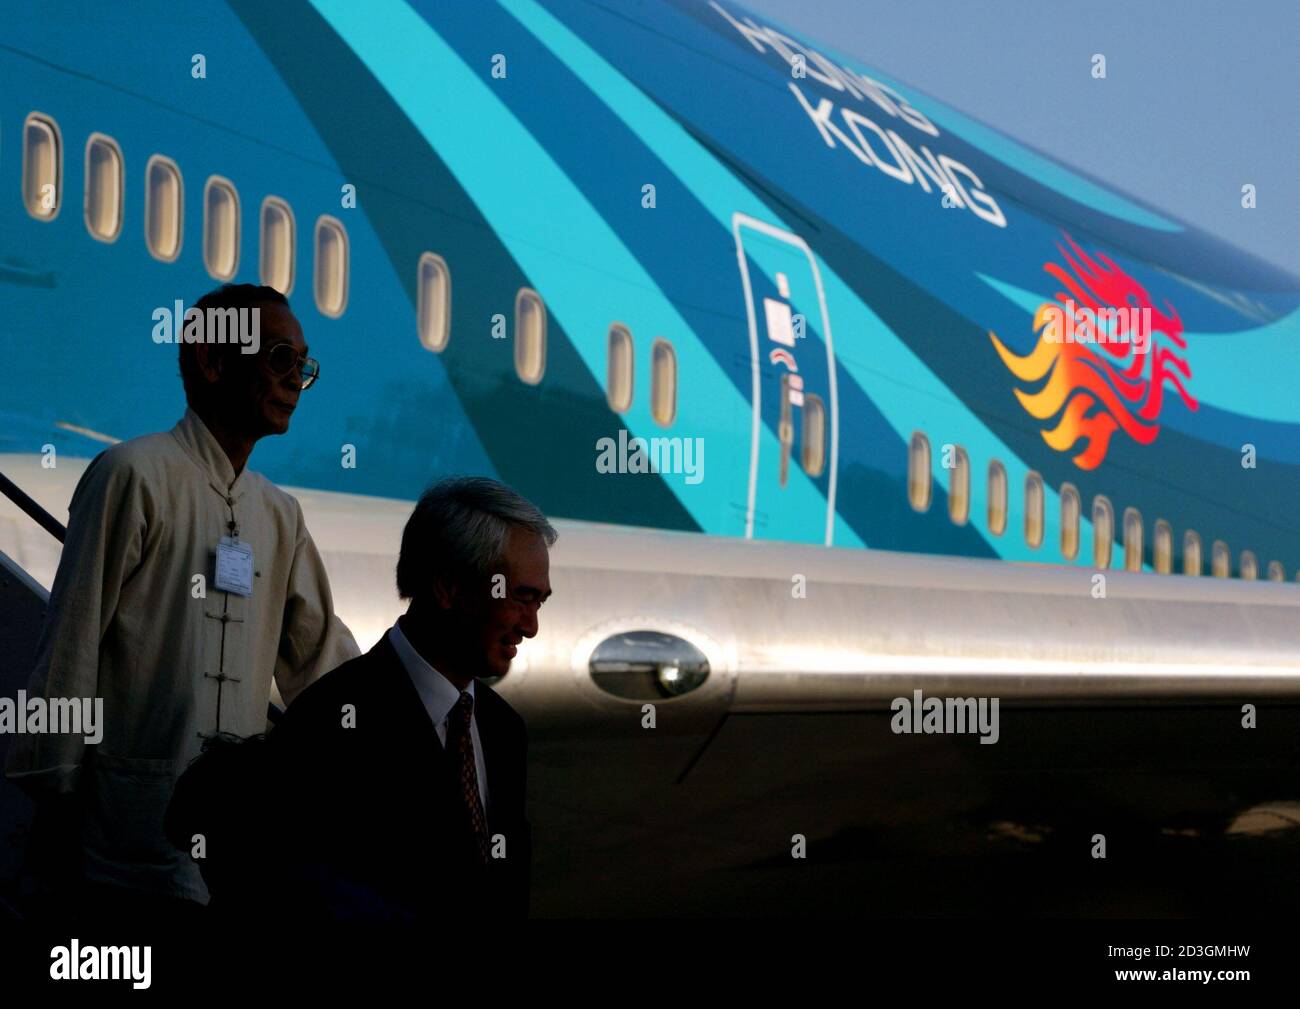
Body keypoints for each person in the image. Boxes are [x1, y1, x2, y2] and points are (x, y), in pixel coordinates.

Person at [5, 283, 359, 927]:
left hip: (232, 855)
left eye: (301, 366)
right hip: (120, 846)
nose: (293, 382)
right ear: (211, 360)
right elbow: (72, 646)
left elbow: (323, 664)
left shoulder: (279, 514)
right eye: (279, 358)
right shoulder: (131, 475)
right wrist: (53, 806)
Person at [268, 477, 554, 922]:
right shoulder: (329, 723)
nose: (531, 626)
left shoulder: (503, 729)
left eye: (540, 601)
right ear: (448, 588)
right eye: (521, 597)